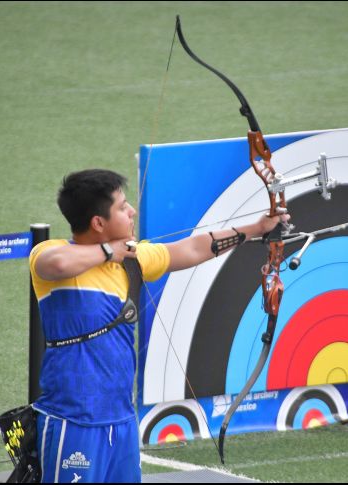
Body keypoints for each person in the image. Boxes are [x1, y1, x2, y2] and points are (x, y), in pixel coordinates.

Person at [29, 168, 288, 483]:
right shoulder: (51, 254)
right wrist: (110, 251)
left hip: (122, 421)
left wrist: (258, 228)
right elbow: (55, 264)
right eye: (122, 207)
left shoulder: (133, 259)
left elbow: (193, 249)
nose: (131, 211)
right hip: (73, 420)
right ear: (98, 223)